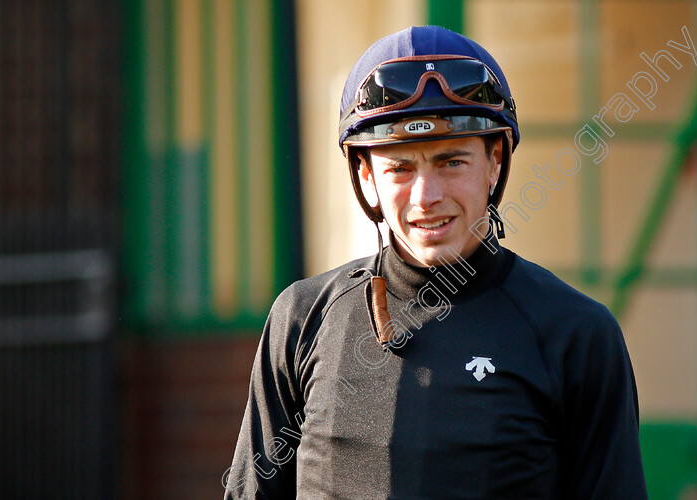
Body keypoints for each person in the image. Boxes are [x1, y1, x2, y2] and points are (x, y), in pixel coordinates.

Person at [225, 25, 647, 499]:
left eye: (452, 162)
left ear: (494, 163)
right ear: (366, 180)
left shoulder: (576, 333)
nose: (427, 196)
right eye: (400, 168)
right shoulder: (303, 319)